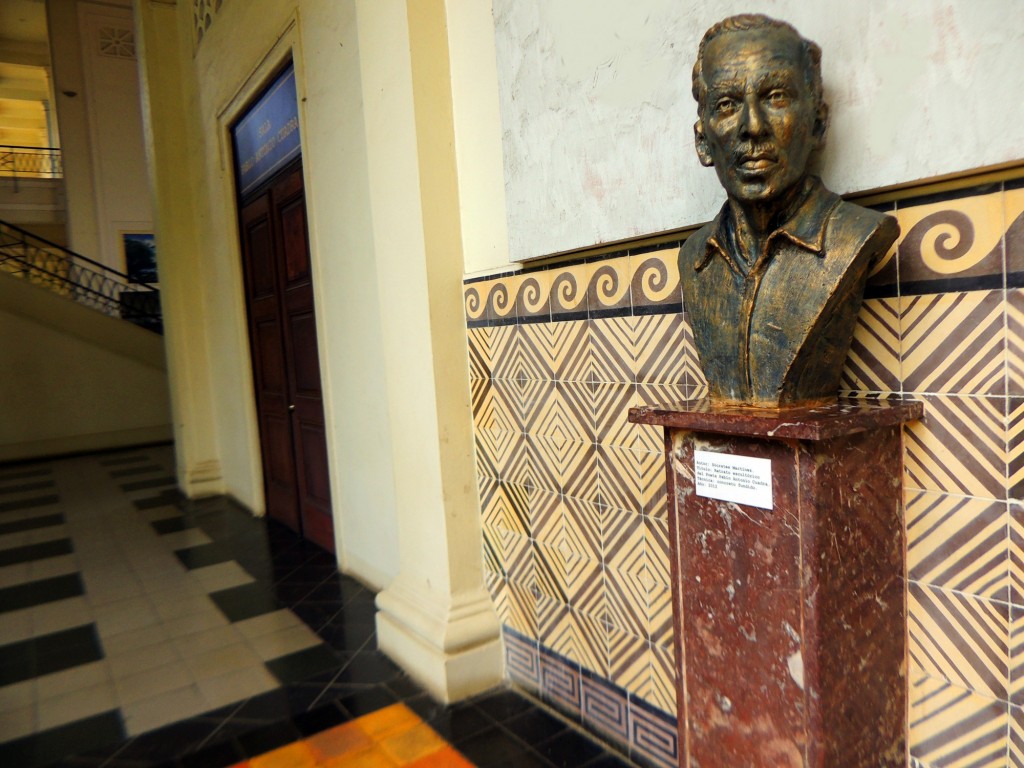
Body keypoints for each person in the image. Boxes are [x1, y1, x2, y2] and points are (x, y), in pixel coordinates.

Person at [678, 14, 899, 407]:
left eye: (776, 97)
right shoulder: (695, 258)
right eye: (727, 104)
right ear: (703, 142)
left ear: (817, 122)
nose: (754, 126)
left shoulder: (855, 236)